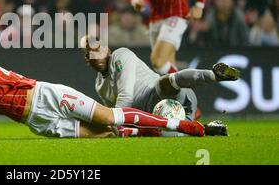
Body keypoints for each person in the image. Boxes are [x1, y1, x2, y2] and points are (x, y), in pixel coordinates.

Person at [0, 31, 226, 141]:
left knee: (111, 117)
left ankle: (193, 127)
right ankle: (165, 133)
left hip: (44, 94)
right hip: (35, 120)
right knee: (106, 133)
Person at [81, 35, 238, 136]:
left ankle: (214, 75)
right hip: (158, 120)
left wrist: (116, 123)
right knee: (158, 133)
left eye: (98, 49)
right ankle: (206, 129)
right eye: (90, 53)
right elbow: (112, 112)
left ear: (107, 49)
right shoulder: (99, 85)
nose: (96, 55)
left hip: (169, 96)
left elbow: (125, 98)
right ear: (87, 61)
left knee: (163, 82)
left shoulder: (120, 55)